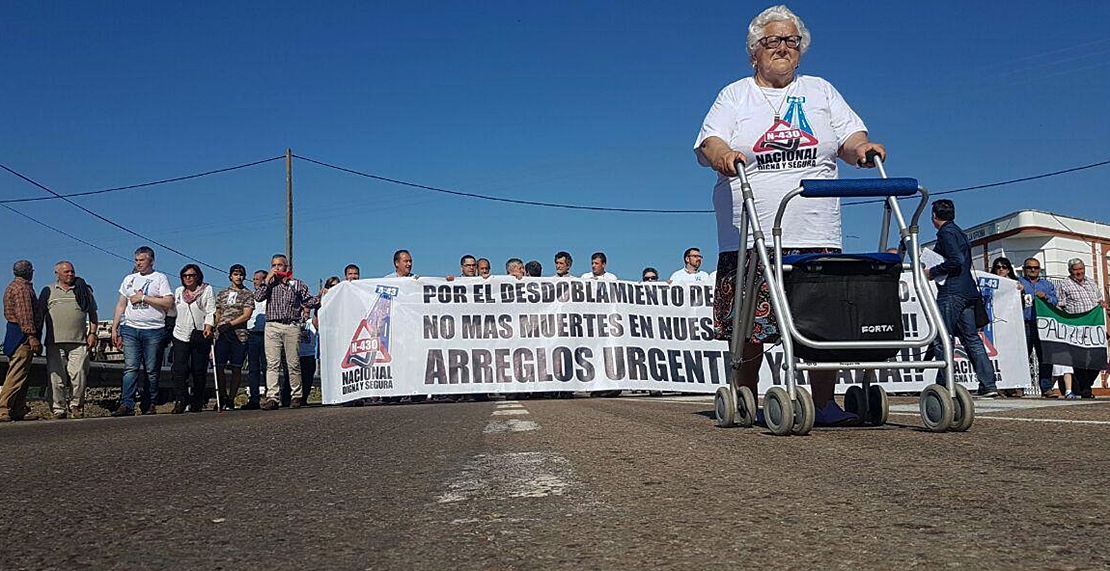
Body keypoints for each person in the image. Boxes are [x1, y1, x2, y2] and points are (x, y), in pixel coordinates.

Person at [694, 5, 886, 424]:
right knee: (748, 326)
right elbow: (709, 141)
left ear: (800, 50)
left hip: (815, 228)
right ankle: (744, 395)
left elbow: (851, 137)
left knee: (823, 322)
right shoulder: (735, 94)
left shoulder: (821, 91)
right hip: (750, 232)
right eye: (772, 41)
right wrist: (723, 154)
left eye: (790, 41)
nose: (782, 47)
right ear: (754, 52)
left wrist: (862, 150)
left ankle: (824, 403)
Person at [925, 200, 999, 398]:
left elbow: (955, 259)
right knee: (971, 338)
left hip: (952, 291)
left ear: (934, 216)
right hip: (967, 291)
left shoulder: (945, 233)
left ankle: (945, 382)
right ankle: (988, 384)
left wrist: (933, 271)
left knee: (942, 337)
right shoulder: (958, 231)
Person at [111, 247, 174, 416]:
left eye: (142, 260)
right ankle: (127, 403)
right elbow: (121, 304)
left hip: (154, 329)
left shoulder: (160, 278)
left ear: (151, 261)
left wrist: (144, 298)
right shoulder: (129, 279)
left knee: (152, 369)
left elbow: (168, 302)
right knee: (130, 367)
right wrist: (114, 328)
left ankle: (149, 403)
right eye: (136, 260)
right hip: (131, 328)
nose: (138, 263)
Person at [255, 254, 320, 410]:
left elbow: (308, 301)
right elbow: (258, 297)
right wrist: (266, 281)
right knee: (272, 364)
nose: (276, 267)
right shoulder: (269, 284)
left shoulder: (297, 284)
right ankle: (272, 397)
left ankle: (296, 395)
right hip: (272, 326)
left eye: (279, 265)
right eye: (273, 265)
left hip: (291, 326)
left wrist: (323, 297)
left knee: (293, 363)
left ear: (287, 267)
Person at [39, 261, 98, 419]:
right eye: (66, 272)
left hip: (79, 342)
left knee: (78, 375)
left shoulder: (82, 290)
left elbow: (93, 314)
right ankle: (58, 409)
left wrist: (92, 333)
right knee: (56, 377)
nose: (70, 274)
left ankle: (76, 406)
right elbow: (39, 316)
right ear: (57, 273)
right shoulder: (49, 291)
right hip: (54, 343)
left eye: (72, 271)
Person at [1055, 258, 1107, 399]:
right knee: (1081, 360)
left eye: (1081, 269)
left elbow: (1099, 299)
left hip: (1094, 327)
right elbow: (1060, 306)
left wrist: (1102, 303)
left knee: (1098, 359)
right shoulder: (1064, 284)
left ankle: (1084, 385)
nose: (1079, 272)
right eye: (1075, 270)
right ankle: (1085, 389)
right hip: (1076, 328)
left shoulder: (1091, 282)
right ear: (1070, 271)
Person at [0, 260, 43, 422]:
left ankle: (18, 408)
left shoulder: (14, 286)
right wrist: (32, 336)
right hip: (21, 335)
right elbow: (25, 314)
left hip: (16, 333)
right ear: (29, 272)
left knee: (23, 374)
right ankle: (3, 408)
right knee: (17, 374)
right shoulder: (22, 289)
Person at [170, 264, 216, 413]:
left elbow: (210, 311)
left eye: (191, 275)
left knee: (198, 369)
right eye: (185, 276)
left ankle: (197, 400)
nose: (188, 278)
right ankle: (180, 400)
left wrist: (208, 326)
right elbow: (173, 311)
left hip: (200, 333)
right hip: (180, 333)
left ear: (198, 276)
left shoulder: (206, 290)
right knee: (179, 369)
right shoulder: (178, 292)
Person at [214, 264, 254, 411]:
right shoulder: (222, 293)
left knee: (236, 368)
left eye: (241, 274)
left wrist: (230, 325)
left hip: (239, 334)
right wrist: (216, 326)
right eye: (236, 274)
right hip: (222, 335)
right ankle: (222, 396)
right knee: (219, 367)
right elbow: (218, 312)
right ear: (231, 276)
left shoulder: (247, 294)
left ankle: (231, 398)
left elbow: (246, 314)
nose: (239, 277)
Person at [1017, 257, 1058, 398]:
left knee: (1045, 357)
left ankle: (1046, 387)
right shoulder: (1018, 283)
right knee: (1022, 357)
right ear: (1024, 269)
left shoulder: (1047, 285)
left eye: (1036, 268)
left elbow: (1055, 301)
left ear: (1039, 269)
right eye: (1029, 268)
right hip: (1025, 324)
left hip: (1043, 326)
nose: (1033, 270)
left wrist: (1046, 297)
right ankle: (1019, 387)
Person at [242, 269, 268, 410]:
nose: (255, 282)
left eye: (258, 279)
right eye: (254, 279)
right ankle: (254, 398)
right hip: (252, 335)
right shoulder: (250, 297)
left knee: (268, 367)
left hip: (267, 335)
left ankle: (271, 397)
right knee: (253, 368)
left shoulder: (270, 296)